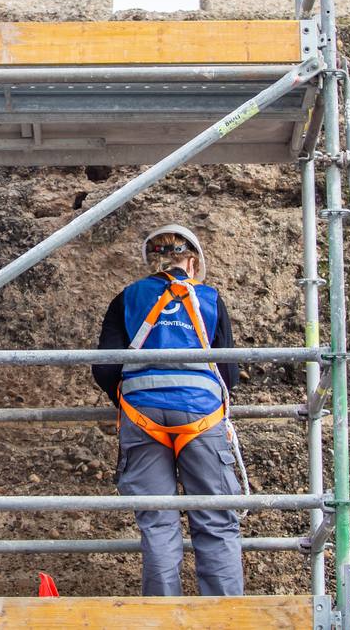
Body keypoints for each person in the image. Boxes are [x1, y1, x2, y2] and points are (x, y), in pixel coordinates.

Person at [91, 223, 244, 597]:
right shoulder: (209, 299)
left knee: (158, 523)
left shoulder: (128, 297)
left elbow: (104, 367)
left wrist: (128, 402)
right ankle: (224, 620)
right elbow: (230, 372)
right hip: (201, 415)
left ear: (152, 263)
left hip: (143, 415)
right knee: (215, 522)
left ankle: (163, 618)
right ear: (191, 262)